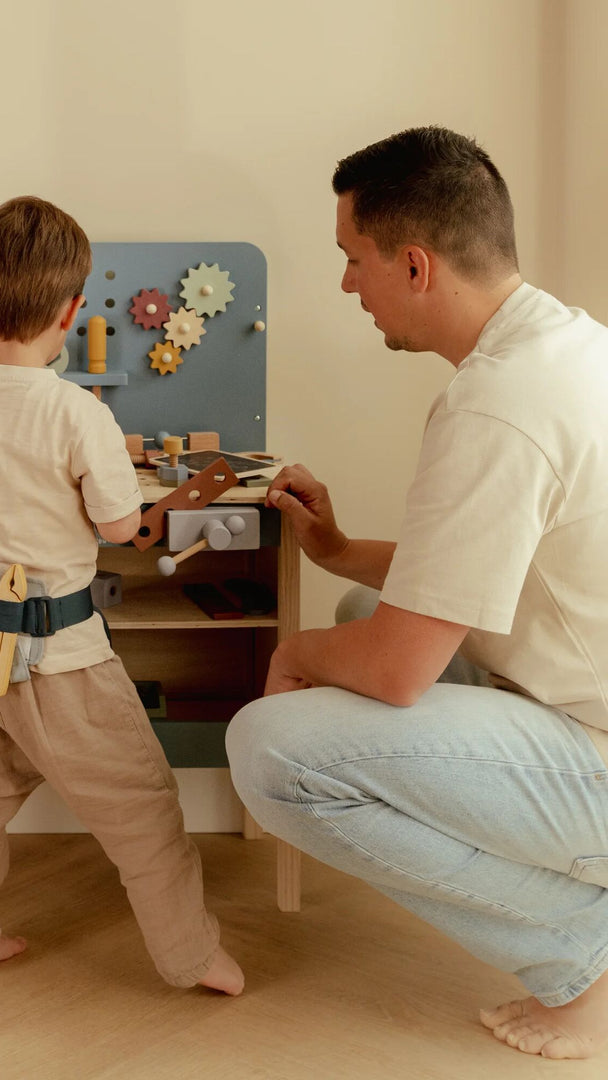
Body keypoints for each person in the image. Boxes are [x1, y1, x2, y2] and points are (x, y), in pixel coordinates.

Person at [225, 126, 608, 1059]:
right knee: (362, 614)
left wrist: (290, 653)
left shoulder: (498, 404)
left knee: (270, 748)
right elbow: (500, 566)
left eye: (354, 260)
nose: (349, 285)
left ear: (416, 265)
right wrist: (344, 551)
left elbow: (397, 676)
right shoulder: (570, 345)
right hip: (582, 695)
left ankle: (582, 954)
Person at [0, 195, 243, 994]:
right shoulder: (77, 412)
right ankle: (191, 959)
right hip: (60, 663)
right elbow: (120, 527)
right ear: (73, 309)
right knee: (142, 807)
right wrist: (138, 505)